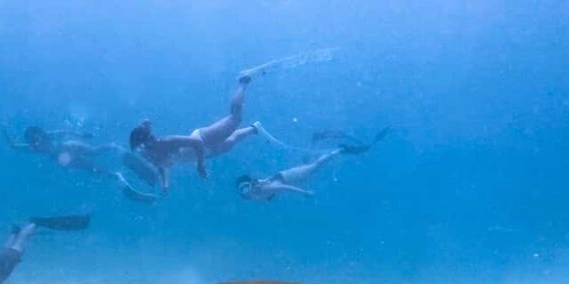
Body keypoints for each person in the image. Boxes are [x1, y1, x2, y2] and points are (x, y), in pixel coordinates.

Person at [128, 75, 259, 194]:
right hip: (203, 153)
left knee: (235, 119)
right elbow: (162, 167)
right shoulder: (150, 156)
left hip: (202, 139)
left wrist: (200, 165)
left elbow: (197, 143)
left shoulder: (166, 142)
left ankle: (243, 82)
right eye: (138, 151)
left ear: (145, 142)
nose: (140, 153)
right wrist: (165, 185)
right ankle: (254, 128)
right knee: (231, 142)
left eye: (140, 148)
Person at [2, 125, 157, 204]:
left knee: (95, 151)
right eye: (33, 139)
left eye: (37, 137)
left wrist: (81, 134)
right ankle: (118, 177)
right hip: (66, 160)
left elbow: (64, 130)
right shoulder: (33, 148)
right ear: (30, 140)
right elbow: (14, 146)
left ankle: (113, 147)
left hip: (70, 147)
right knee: (97, 170)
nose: (37, 141)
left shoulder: (48, 135)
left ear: (40, 133)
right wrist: (6, 135)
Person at [236, 127, 390, 202]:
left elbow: (284, 187)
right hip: (286, 176)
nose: (245, 192)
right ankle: (315, 140)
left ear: (250, 185)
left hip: (289, 178)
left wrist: (305, 193)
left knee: (314, 166)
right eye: (242, 190)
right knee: (308, 164)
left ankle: (340, 150)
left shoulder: (264, 189)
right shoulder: (257, 193)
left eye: (245, 187)